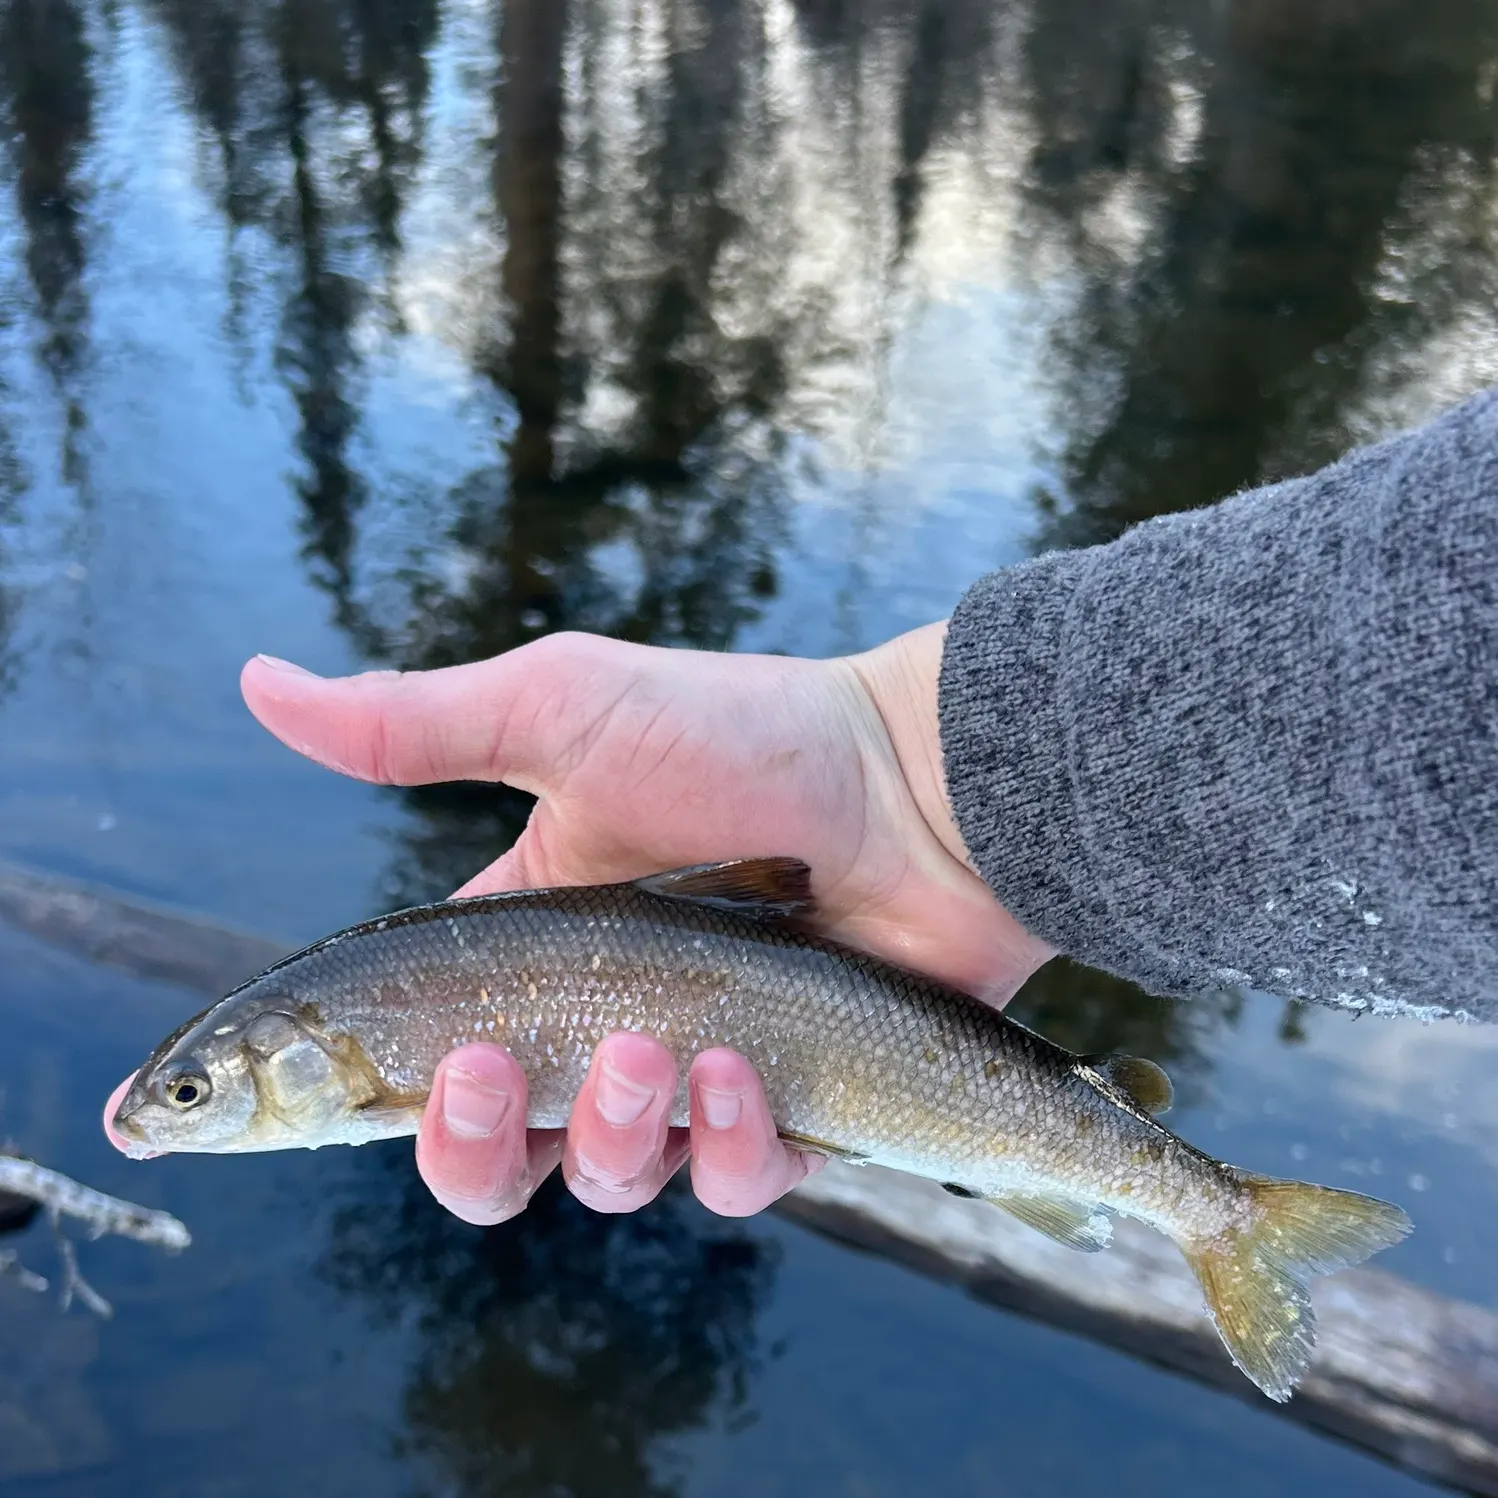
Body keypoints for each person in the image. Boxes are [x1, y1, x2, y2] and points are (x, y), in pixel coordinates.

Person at [106, 390, 1498, 1226]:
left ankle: (1215, 1213)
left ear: (295, 1058)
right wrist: (918, 769)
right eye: (187, 1087)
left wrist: (917, 773)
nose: (161, 1111)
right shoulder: (351, 1010)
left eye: (191, 1093)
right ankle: (1198, 1203)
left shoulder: (359, 1015)